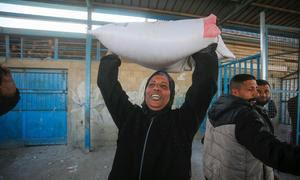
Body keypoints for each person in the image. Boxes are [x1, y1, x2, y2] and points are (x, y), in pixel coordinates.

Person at [97, 44, 218, 180]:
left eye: (163, 86)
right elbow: (106, 84)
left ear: (171, 95)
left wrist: (204, 52)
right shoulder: (129, 117)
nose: (156, 88)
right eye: (152, 84)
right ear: (145, 91)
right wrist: (112, 53)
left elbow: (205, 86)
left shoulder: (182, 122)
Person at [203, 74, 300, 180]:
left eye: (256, 89)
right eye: (251, 89)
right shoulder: (244, 115)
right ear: (235, 91)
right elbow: (270, 149)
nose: (256, 93)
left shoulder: (217, 106)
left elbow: (207, 140)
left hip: (214, 172)